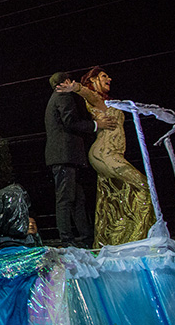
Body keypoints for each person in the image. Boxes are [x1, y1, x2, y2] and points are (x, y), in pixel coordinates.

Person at [58, 67, 156, 247]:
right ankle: (138, 240)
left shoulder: (111, 102)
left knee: (114, 200)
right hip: (105, 154)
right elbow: (89, 95)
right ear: (94, 80)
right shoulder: (99, 103)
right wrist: (76, 87)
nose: (109, 78)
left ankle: (116, 242)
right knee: (144, 186)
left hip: (115, 154)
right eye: (104, 76)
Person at [45, 71, 115, 247]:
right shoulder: (63, 97)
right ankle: (67, 240)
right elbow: (70, 122)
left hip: (67, 157)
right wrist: (97, 125)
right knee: (65, 199)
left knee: (77, 199)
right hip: (64, 156)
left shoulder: (55, 98)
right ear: (66, 82)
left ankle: (86, 238)